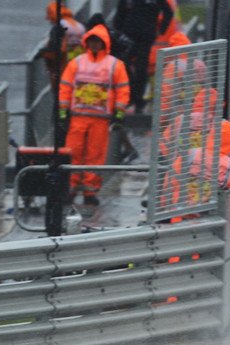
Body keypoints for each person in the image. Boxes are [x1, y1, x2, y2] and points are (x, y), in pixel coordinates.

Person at [58, 24, 130, 206]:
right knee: (73, 153)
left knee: (95, 156)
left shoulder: (115, 65)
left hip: (100, 120)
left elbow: (122, 91)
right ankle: (71, 188)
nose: (95, 44)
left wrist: (119, 114)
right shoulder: (76, 63)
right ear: (87, 42)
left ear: (104, 43)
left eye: (98, 41)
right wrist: (63, 111)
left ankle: (90, 191)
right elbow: (65, 87)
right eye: (92, 41)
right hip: (78, 117)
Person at [113, 0, 173, 114]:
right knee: (122, 64)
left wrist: (161, 29)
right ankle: (130, 96)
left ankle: (138, 100)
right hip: (128, 36)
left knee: (140, 67)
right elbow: (120, 12)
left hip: (145, 37)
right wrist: (119, 31)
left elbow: (168, 12)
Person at [40, 2, 85, 93]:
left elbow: (55, 49)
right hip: (79, 64)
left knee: (62, 92)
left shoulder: (59, 26)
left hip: (63, 66)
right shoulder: (79, 25)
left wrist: (43, 53)